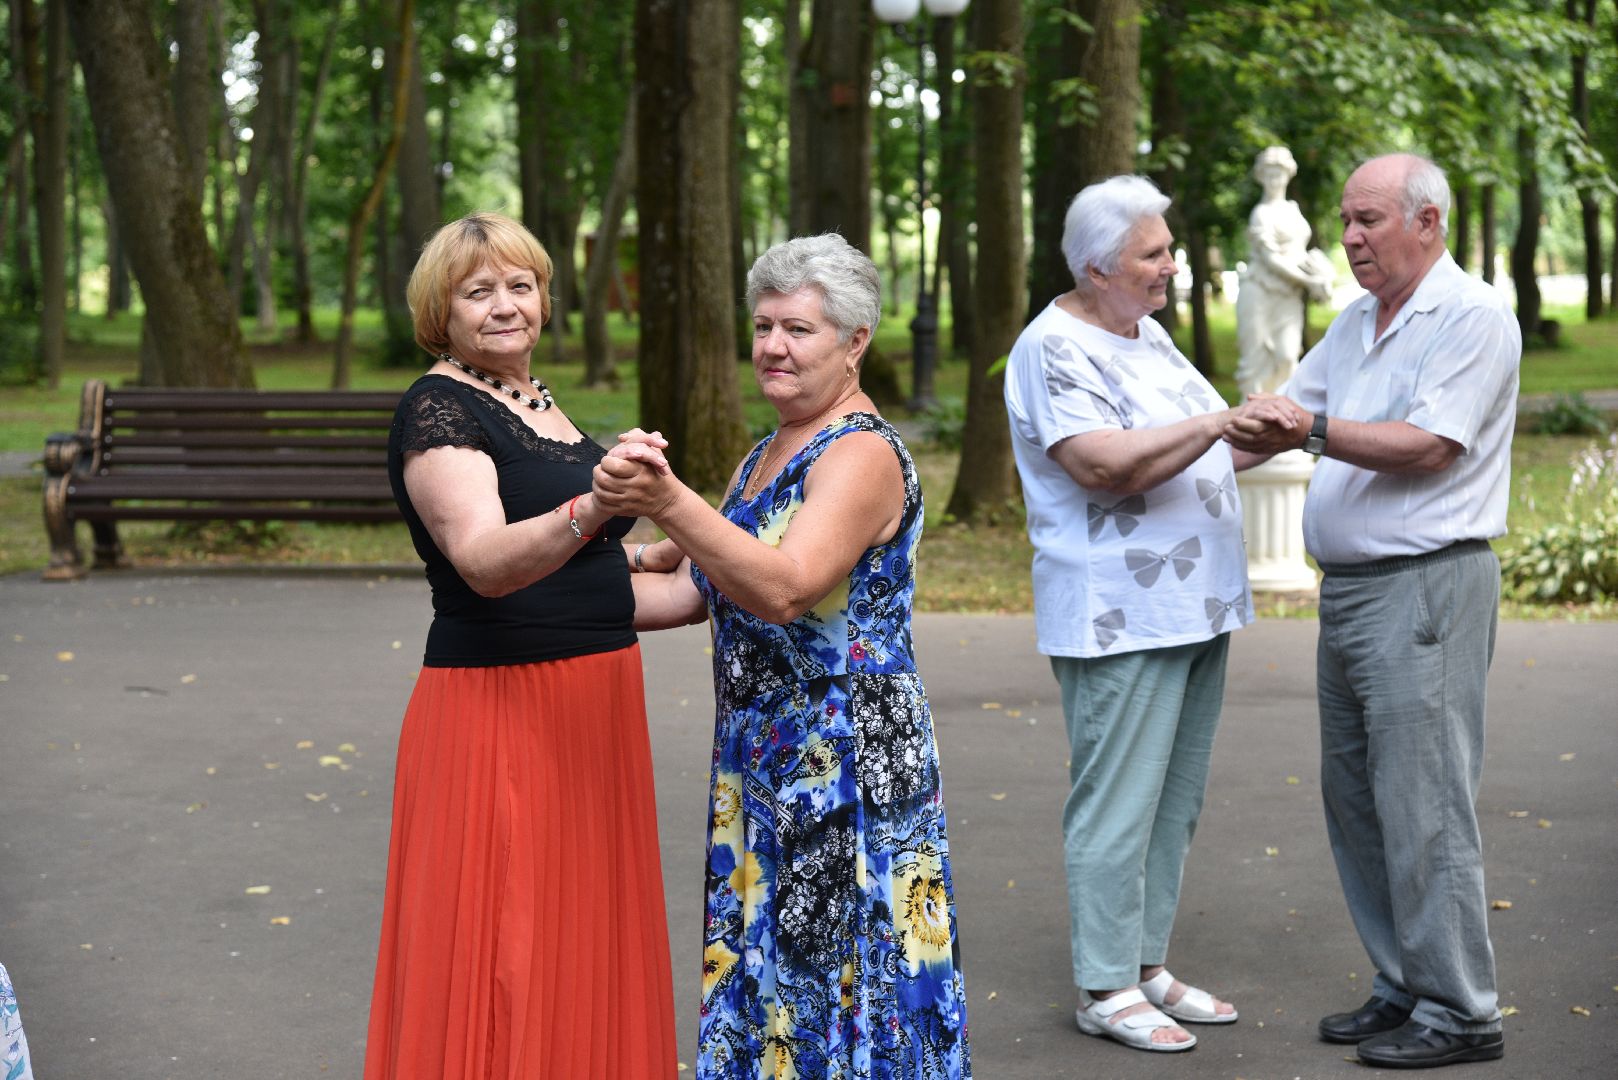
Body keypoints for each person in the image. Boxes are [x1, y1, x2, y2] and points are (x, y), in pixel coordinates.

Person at [592, 233, 972, 1079]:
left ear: (856, 341)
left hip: (846, 757)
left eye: (798, 329)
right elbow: (690, 591)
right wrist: (527, 589)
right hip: (762, 756)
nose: (772, 346)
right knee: (769, 979)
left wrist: (668, 501)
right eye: (762, 327)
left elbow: (788, 586)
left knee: (842, 977)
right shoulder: (762, 456)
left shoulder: (862, 452)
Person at [364, 211, 692, 1079]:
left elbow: (576, 584)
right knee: (507, 950)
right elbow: (483, 563)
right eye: (479, 292)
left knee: (577, 934)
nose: (505, 305)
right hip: (503, 712)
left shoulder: (536, 400)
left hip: (592, 707)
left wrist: (689, 560)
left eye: (521, 286)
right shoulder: (440, 407)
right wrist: (596, 503)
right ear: (443, 311)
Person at [1224, 153, 1516, 1070]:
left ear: (1428, 222)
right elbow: (1277, 412)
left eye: (1368, 221)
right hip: (1350, 592)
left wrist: (1303, 429)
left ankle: (1463, 1009)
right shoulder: (1355, 324)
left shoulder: (1473, 318)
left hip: (1426, 586)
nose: (1348, 238)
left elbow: (1428, 445)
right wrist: (1154, 461)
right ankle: (1405, 982)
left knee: (1424, 804)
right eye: (1346, 221)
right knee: (1359, 802)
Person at [1003, 175, 1281, 1054]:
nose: (1170, 266)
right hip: (1119, 613)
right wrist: (1215, 426)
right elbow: (1102, 465)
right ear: (1096, 267)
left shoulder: (1145, 334)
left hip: (1192, 606)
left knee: (1173, 800)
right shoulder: (1053, 349)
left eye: (1167, 249)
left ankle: (1144, 960)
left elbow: (1189, 451)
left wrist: (1254, 436)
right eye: (1152, 254)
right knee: (1118, 801)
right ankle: (1103, 983)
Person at [1233, 145, 1336, 395]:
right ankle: (1251, 417)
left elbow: (1301, 253)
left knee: (1288, 357)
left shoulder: (1293, 210)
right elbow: (1271, 260)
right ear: (1260, 177)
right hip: (1260, 291)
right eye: (1268, 174)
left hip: (1288, 294)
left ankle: (1281, 414)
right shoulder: (1261, 214)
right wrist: (1307, 281)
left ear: (1288, 176)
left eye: (1278, 174)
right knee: (1255, 363)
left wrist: (1322, 274)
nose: (1273, 180)